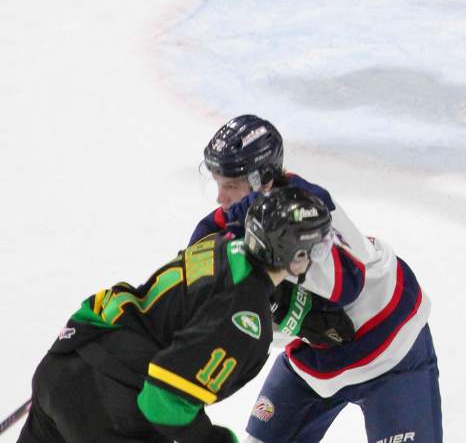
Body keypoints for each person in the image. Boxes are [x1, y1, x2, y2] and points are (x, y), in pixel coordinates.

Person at [193, 114, 442, 443]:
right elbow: (197, 286)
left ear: (263, 180)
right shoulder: (227, 223)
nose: (220, 198)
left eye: (231, 186)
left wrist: (277, 289)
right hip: (315, 360)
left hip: (390, 348)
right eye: (218, 183)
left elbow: (348, 282)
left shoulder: (310, 207)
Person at [19, 187, 332, 443]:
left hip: (63, 366)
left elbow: (214, 296)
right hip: (108, 408)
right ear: (296, 254)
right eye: (316, 247)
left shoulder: (222, 246)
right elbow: (163, 403)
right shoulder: (245, 324)